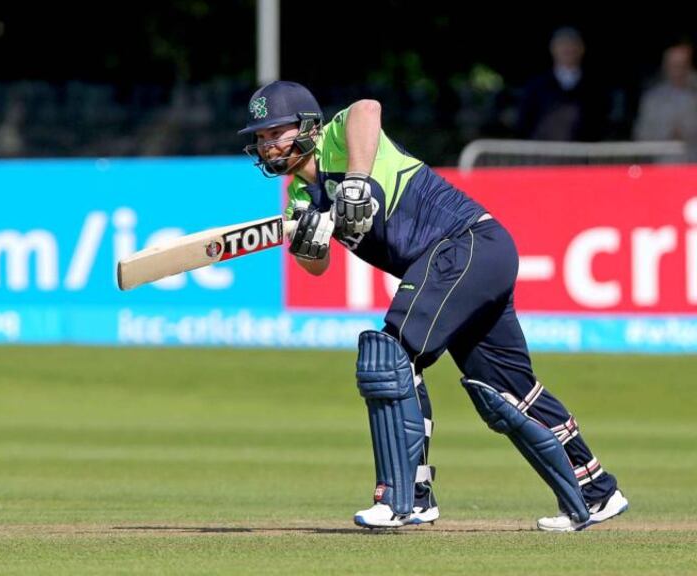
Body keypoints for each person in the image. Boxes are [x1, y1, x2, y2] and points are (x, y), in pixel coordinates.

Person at [239, 80, 628, 531]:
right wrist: (308, 246)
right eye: (262, 138)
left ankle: (406, 498)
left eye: (276, 133)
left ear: (307, 126)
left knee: (390, 357)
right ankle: (598, 490)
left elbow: (368, 107)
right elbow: (316, 267)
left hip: (465, 244)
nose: (268, 145)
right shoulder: (301, 198)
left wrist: (357, 184)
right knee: (506, 388)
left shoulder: (340, 139)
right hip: (472, 259)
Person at [516, 27, 609, 141]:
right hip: (543, 153)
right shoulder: (536, 85)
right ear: (553, 49)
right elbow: (524, 123)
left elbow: (601, 123)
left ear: (582, 49)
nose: (567, 49)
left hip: (583, 153)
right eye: (562, 45)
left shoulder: (595, 87)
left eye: (573, 44)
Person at [633, 40, 697, 162]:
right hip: (663, 167)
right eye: (673, 65)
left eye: (682, 65)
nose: (678, 70)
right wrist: (665, 135)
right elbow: (641, 135)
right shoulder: (652, 100)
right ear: (665, 66)